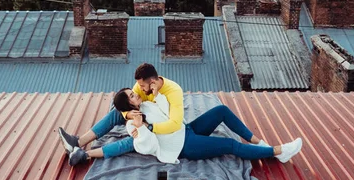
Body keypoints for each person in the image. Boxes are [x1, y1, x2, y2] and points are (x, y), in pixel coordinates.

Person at [113, 87, 303, 163]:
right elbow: (148, 148)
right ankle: (278, 152)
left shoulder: (145, 104)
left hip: (186, 129)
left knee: (221, 110)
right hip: (185, 146)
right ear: (127, 104)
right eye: (131, 95)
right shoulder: (133, 127)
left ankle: (258, 142)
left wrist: (156, 95)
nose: (135, 93)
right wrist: (141, 127)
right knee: (229, 144)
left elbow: (168, 110)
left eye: (132, 92)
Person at [59, 63, 184, 166]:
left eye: (142, 86)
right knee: (117, 113)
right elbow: (126, 102)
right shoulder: (140, 87)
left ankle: (86, 155)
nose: (139, 91)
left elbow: (175, 123)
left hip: (159, 125)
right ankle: (78, 142)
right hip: (141, 117)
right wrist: (129, 114)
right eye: (138, 87)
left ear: (152, 82)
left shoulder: (173, 91)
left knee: (133, 142)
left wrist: (148, 127)